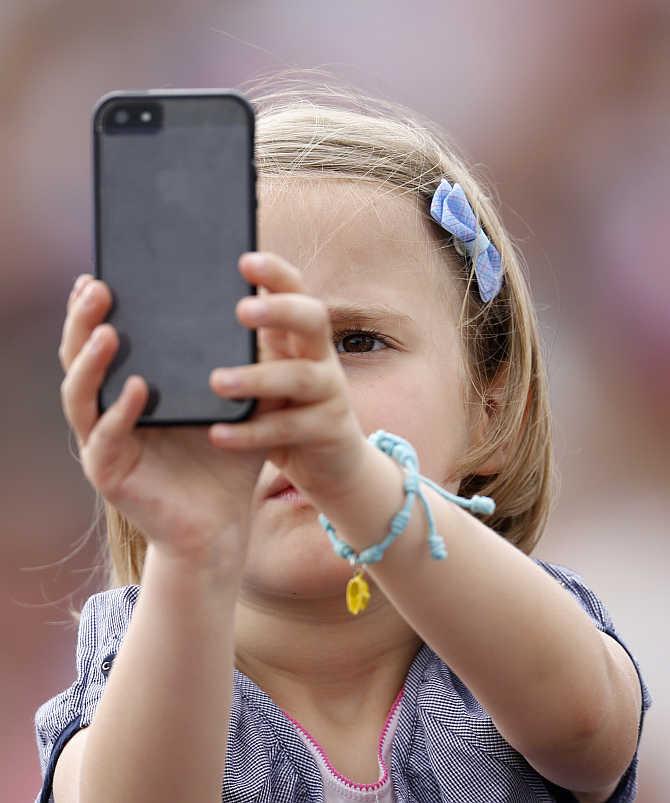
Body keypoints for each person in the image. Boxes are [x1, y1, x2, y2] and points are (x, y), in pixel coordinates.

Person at [34, 75, 652, 803]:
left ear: (493, 408)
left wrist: (357, 480)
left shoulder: (528, 635)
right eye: (237, 358)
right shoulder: (129, 670)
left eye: (357, 340)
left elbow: (588, 733)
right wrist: (195, 548)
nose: (293, 391)